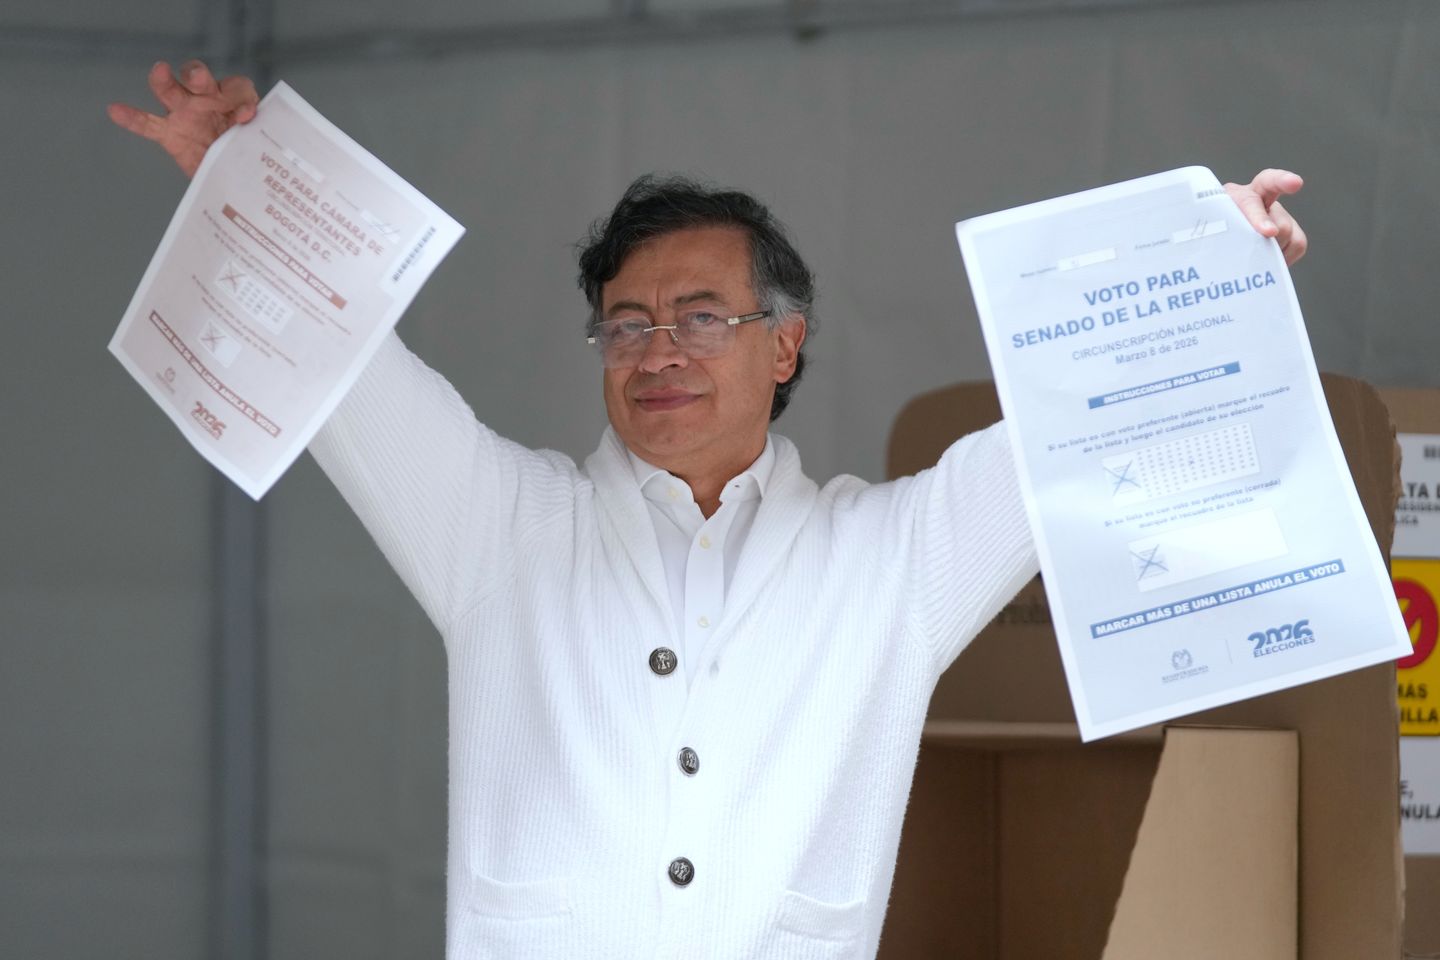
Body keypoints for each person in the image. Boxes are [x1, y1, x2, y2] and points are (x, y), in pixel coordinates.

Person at [110, 60, 1308, 959]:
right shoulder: (499, 526)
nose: (658, 352)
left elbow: (1069, 429)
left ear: (784, 345)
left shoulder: (891, 558)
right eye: (626, 325)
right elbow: (351, 372)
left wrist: (1216, 255)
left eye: (700, 318)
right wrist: (243, 182)